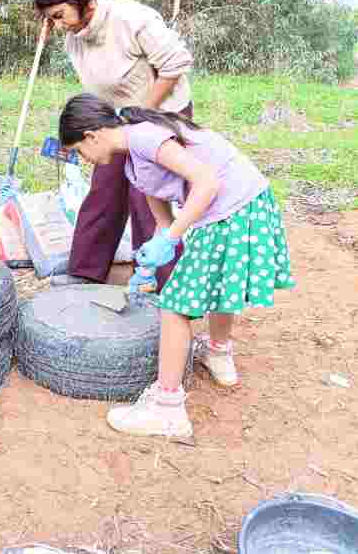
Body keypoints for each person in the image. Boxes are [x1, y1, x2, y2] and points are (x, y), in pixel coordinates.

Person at [58, 93, 295, 437]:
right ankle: (218, 353)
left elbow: (207, 182)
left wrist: (172, 239)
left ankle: (167, 410)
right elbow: (163, 220)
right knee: (213, 290)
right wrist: (154, 254)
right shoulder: (132, 161)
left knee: (174, 307)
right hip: (242, 204)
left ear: (91, 136)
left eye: (80, 151)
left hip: (232, 208)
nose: (85, 159)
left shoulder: (144, 137)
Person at [35, 0, 195, 290]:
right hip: (118, 118)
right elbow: (99, 87)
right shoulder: (76, 37)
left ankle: (162, 282)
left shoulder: (132, 18)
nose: (56, 24)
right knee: (104, 188)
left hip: (160, 114)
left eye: (59, 14)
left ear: (83, 2)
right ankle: (85, 271)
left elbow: (175, 63)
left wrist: (142, 114)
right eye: (50, 17)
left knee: (147, 196)